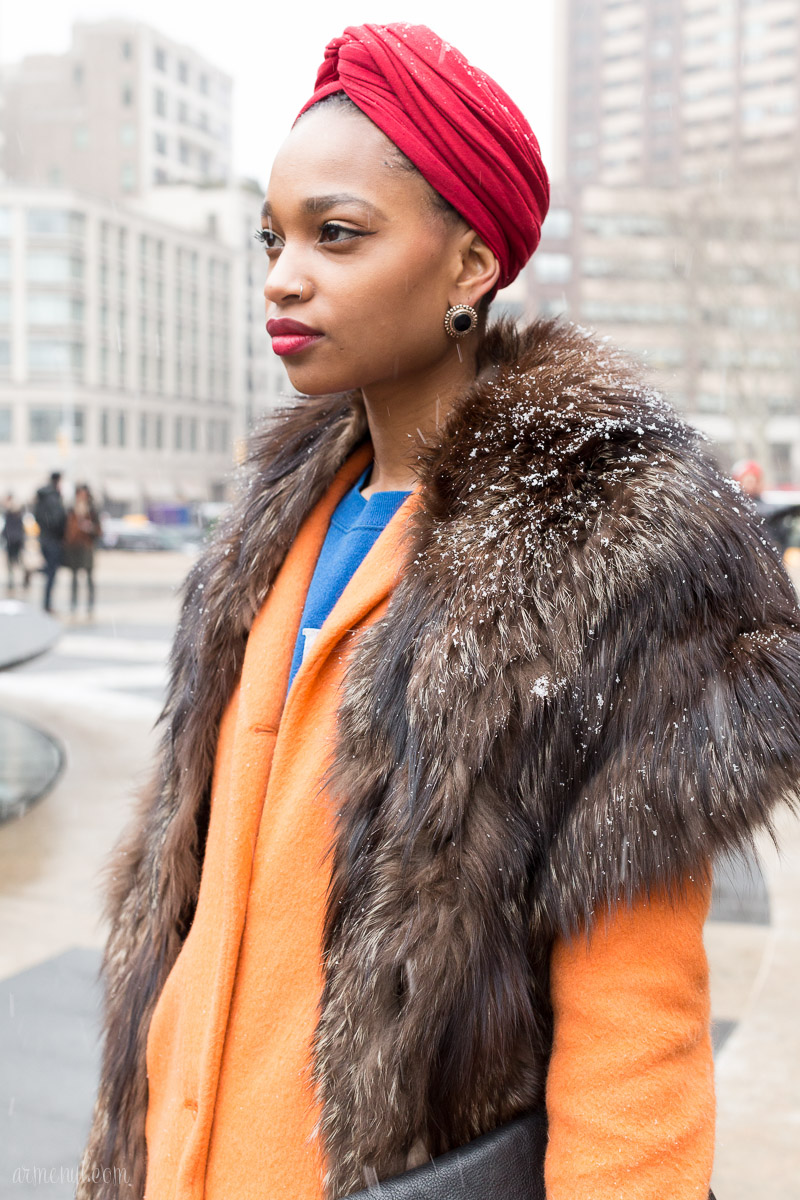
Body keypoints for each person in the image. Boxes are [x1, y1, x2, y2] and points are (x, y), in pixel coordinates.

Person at [79, 24, 800, 1200]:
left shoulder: (608, 561)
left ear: (469, 265)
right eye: (272, 237)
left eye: (336, 234)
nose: (282, 275)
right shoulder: (267, 538)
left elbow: (634, 1034)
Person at [63, 483, 102, 618]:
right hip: (74, 546)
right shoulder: (71, 509)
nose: (82, 496)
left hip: (86, 546)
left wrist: (90, 528)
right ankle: (73, 604)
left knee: (89, 576)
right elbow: (67, 528)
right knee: (74, 576)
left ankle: (90, 604)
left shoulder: (91, 510)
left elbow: (98, 530)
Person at [33, 470, 67, 613]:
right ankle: (47, 604)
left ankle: (47, 602)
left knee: (50, 570)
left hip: (44, 538)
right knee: (52, 572)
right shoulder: (53, 498)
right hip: (53, 539)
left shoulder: (42, 497)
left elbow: (38, 517)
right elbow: (57, 520)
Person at [1, 493, 26, 591]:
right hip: (16, 540)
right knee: (16, 562)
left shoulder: (9, 513)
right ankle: (15, 581)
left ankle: (13, 581)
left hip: (12, 540)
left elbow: (6, 528)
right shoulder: (17, 514)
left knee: (13, 562)